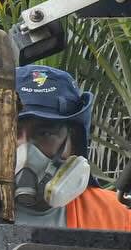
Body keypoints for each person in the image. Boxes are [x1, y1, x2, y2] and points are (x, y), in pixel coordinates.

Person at [14, 64, 131, 231]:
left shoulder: (119, 218)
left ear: (74, 142)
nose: (24, 150)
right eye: (10, 132)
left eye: (45, 133)